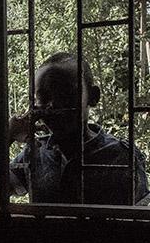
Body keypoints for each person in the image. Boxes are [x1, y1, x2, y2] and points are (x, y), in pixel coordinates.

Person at [9, 52, 149, 205]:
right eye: (43, 97)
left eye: (66, 94)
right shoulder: (34, 154)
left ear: (93, 96)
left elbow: (138, 220)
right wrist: (8, 135)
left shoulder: (122, 157)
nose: (54, 105)